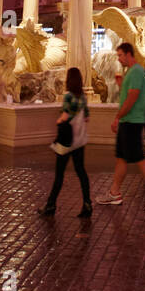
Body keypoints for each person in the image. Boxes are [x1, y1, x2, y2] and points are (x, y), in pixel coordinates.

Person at [95, 42, 145, 212]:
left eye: (120, 55)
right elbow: (129, 94)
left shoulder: (136, 71)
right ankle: (114, 193)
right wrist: (121, 85)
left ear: (129, 54)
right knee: (121, 157)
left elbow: (133, 97)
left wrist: (118, 116)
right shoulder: (132, 72)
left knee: (139, 159)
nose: (118, 58)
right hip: (127, 122)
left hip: (132, 122)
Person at [39, 67, 92, 218]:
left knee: (59, 175)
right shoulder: (83, 96)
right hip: (80, 141)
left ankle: (51, 205)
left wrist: (58, 120)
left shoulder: (68, 96)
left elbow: (66, 115)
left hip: (66, 141)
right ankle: (87, 204)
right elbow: (87, 117)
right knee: (81, 173)